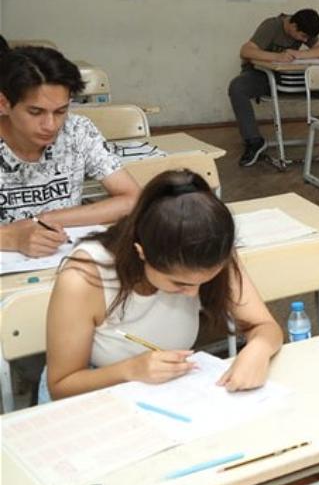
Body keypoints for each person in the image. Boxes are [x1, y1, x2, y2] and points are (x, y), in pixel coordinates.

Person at [43, 169, 283, 402]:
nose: (193, 292)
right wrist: (130, 370)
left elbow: (264, 326)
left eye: (206, 280)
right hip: (95, 398)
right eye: (179, 283)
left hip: (169, 392)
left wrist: (258, 349)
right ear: (142, 252)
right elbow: (61, 386)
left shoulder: (211, 252)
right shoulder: (84, 277)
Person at [0, 47, 140, 257]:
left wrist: (44, 220)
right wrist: (12, 238)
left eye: (61, 111)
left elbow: (132, 198)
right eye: (35, 112)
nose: (51, 125)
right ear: (3, 104)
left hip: (61, 257)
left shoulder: (77, 131)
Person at [228, 9, 319, 167]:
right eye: (303, 36)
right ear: (293, 26)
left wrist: (298, 54)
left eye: (307, 38)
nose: (305, 40)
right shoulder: (271, 26)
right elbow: (246, 51)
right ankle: (254, 141)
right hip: (262, 75)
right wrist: (277, 57)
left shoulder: (304, 27)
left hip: (287, 77)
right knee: (237, 87)